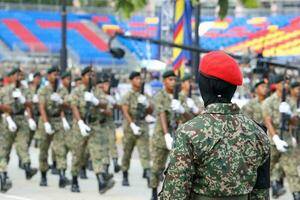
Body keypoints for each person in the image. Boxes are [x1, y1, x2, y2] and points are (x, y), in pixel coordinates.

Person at [159, 51, 270, 200]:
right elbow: (261, 194)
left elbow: (174, 195)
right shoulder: (259, 133)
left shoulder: (189, 133)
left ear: (204, 85)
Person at [69, 66, 114, 194]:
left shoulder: (97, 91)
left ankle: (101, 182)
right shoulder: (77, 91)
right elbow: (74, 107)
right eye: (89, 75)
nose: (91, 77)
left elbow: (105, 103)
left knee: (97, 153)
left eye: (93, 75)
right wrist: (80, 123)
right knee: (78, 155)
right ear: (83, 77)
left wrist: (95, 101)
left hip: (94, 125)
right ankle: (74, 180)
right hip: (81, 125)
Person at [149, 70, 189, 200]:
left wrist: (182, 110)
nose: (172, 82)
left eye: (174, 80)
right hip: (161, 136)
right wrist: (166, 135)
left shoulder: (181, 97)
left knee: (177, 169)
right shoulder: (160, 96)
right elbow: (161, 114)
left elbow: (190, 118)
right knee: (156, 167)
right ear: (164, 81)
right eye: (169, 79)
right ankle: (154, 192)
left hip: (178, 136)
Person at [262, 75, 300, 200]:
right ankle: (263, 193)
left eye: (288, 83)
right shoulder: (268, 101)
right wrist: (276, 139)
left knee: (292, 170)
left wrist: (290, 115)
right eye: (284, 83)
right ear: (277, 85)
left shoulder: (290, 102)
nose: (286, 86)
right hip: (273, 140)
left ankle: (297, 194)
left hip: (287, 140)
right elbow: (268, 121)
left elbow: (295, 122)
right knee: (266, 169)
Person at [0, 67, 37, 192]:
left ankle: (27, 166)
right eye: (17, 75)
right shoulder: (3, 90)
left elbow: (31, 104)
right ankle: (3, 177)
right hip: (7, 121)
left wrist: (23, 100)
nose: (20, 77)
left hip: (21, 119)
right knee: (4, 151)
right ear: (10, 77)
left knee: (23, 145)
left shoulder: (25, 90)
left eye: (21, 75)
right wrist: (7, 117)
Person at [120, 71, 153, 187]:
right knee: (127, 152)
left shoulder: (144, 95)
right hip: (130, 127)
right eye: (137, 79)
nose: (139, 81)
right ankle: (125, 174)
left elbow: (151, 111)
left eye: (140, 79)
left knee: (144, 152)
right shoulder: (127, 95)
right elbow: (124, 110)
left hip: (142, 125)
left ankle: (148, 174)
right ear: (131, 81)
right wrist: (132, 124)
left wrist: (147, 104)